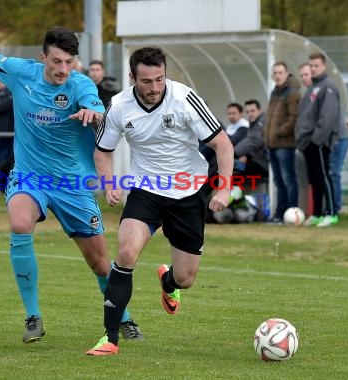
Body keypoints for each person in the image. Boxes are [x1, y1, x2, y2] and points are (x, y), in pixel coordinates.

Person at [0, 26, 144, 344]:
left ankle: (124, 317)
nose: (64, 69)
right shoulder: (22, 73)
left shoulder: (81, 85)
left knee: (100, 263)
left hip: (73, 183)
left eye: (70, 62)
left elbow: (98, 109)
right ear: (42, 57)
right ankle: (33, 316)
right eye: (57, 61)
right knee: (20, 222)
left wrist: (94, 112)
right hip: (29, 175)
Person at [87, 46, 234, 356]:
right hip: (145, 191)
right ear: (132, 78)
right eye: (146, 81)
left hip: (187, 193)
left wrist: (223, 189)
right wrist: (109, 183)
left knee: (186, 278)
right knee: (126, 253)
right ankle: (110, 338)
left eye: (159, 79)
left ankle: (168, 283)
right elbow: (102, 151)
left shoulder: (184, 99)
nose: (154, 88)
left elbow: (223, 143)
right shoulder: (118, 106)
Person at [296, 53, 340, 227]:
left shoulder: (328, 87)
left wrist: (317, 140)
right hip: (308, 142)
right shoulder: (312, 88)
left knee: (324, 177)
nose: (313, 69)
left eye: (316, 66)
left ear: (324, 66)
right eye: (311, 66)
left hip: (318, 142)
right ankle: (317, 213)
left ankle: (331, 213)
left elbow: (327, 117)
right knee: (314, 179)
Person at [264, 61, 301, 223]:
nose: (277, 76)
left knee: (288, 180)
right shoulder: (275, 92)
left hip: (284, 144)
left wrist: (280, 132)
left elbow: (294, 117)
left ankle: (292, 213)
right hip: (272, 144)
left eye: (280, 72)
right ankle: (279, 214)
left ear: (287, 74)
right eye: (275, 73)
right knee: (278, 181)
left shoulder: (292, 93)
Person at [235, 99, 269, 180]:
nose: (250, 114)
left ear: (259, 110)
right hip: (256, 160)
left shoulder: (262, 122)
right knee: (233, 168)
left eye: (252, 111)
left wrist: (233, 153)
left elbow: (254, 141)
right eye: (247, 112)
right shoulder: (253, 124)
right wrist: (246, 155)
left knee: (232, 172)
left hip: (263, 163)